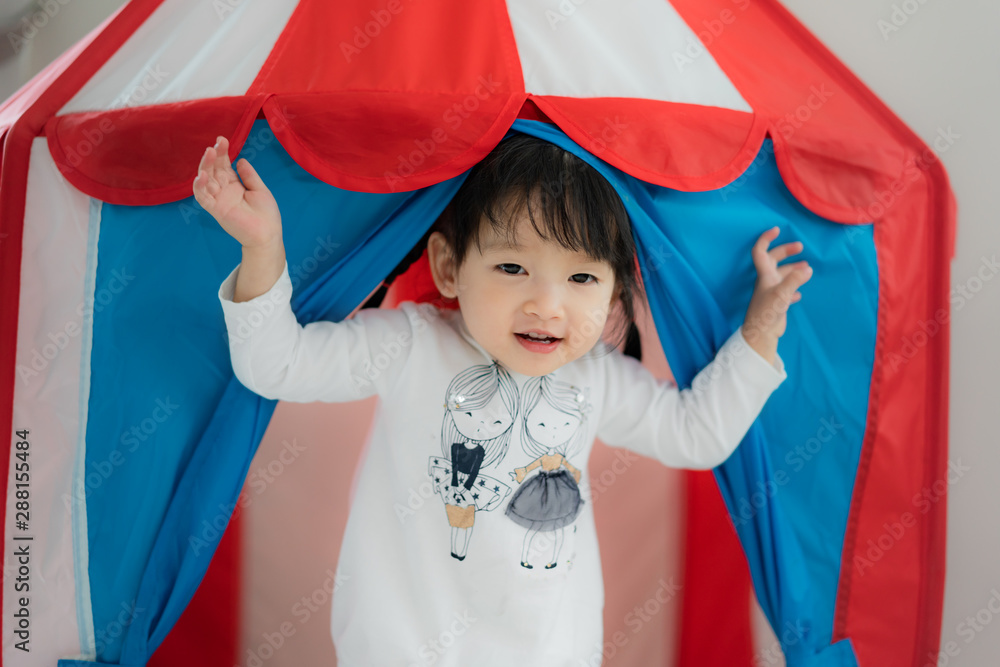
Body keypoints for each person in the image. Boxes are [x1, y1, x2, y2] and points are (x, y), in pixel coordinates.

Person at [194, 131, 812, 666]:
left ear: (614, 293)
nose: (547, 304)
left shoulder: (592, 377)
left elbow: (696, 434)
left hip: (550, 652)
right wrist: (262, 249)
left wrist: (759, 328)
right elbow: (276, 365)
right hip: (401, 651)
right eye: (513, 268)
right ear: (447, 266)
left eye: (581, 278)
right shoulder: (412, 347)